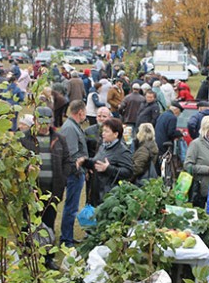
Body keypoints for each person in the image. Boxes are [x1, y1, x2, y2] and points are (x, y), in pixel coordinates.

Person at [19, 107, 71, 270]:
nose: (44, 126)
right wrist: (28, 187)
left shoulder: (59, 139)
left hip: (52, 192)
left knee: (48, 225)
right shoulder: (24, 140)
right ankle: (27, 257)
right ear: (34, 121)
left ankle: (47, 258)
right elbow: (18, 166)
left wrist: (62, 180)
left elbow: (67, 161)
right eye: (41, 122)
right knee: (28, 225)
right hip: (32, 193)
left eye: (47, 123)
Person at [77, 118, 133, 207]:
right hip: (97, 194)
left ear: (115, 134)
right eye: (103, 131)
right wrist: (86, 162)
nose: (103, 134)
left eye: (106, 131)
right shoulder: (103, 146)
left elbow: (129, 172)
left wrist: (108, 169)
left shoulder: (122, 151)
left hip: (111, 197)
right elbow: (97, 162)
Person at [59, 100, 88, 247]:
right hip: (74, 174)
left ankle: (67, 236)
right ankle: (66, 239)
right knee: (71, 207)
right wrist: (83, 164)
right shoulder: (70, 128)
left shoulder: (73, 126)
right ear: (80, 112)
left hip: (77, 173)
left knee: (72, 206)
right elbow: (71, 154)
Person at [183, 116, 209, 208]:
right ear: (207, 129)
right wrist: (207, 169)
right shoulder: (196, 144)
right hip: (200, 189)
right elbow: (187, 165)